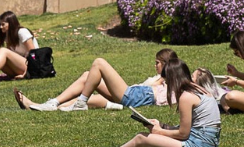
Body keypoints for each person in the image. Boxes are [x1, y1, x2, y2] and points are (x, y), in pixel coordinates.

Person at [71, 58, 220, 147]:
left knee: (141, 138)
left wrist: (159, 131)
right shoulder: (201, 91)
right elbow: (195, 128)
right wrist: (162, 126)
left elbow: (183, 134)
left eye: (167, 82)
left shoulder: (186, 97)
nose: (168, 86)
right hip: (208, 145)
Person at [16, 48, 177, 112]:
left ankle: (79, 104)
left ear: (165, 64)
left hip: (134, 95)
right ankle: (50, 104)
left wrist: (161, 81)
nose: (154, 65)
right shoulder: (161, 80)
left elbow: (175, 93)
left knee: (99, 63)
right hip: (133, 93)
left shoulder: (171, 84)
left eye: (157, 63)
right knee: (87, 75)